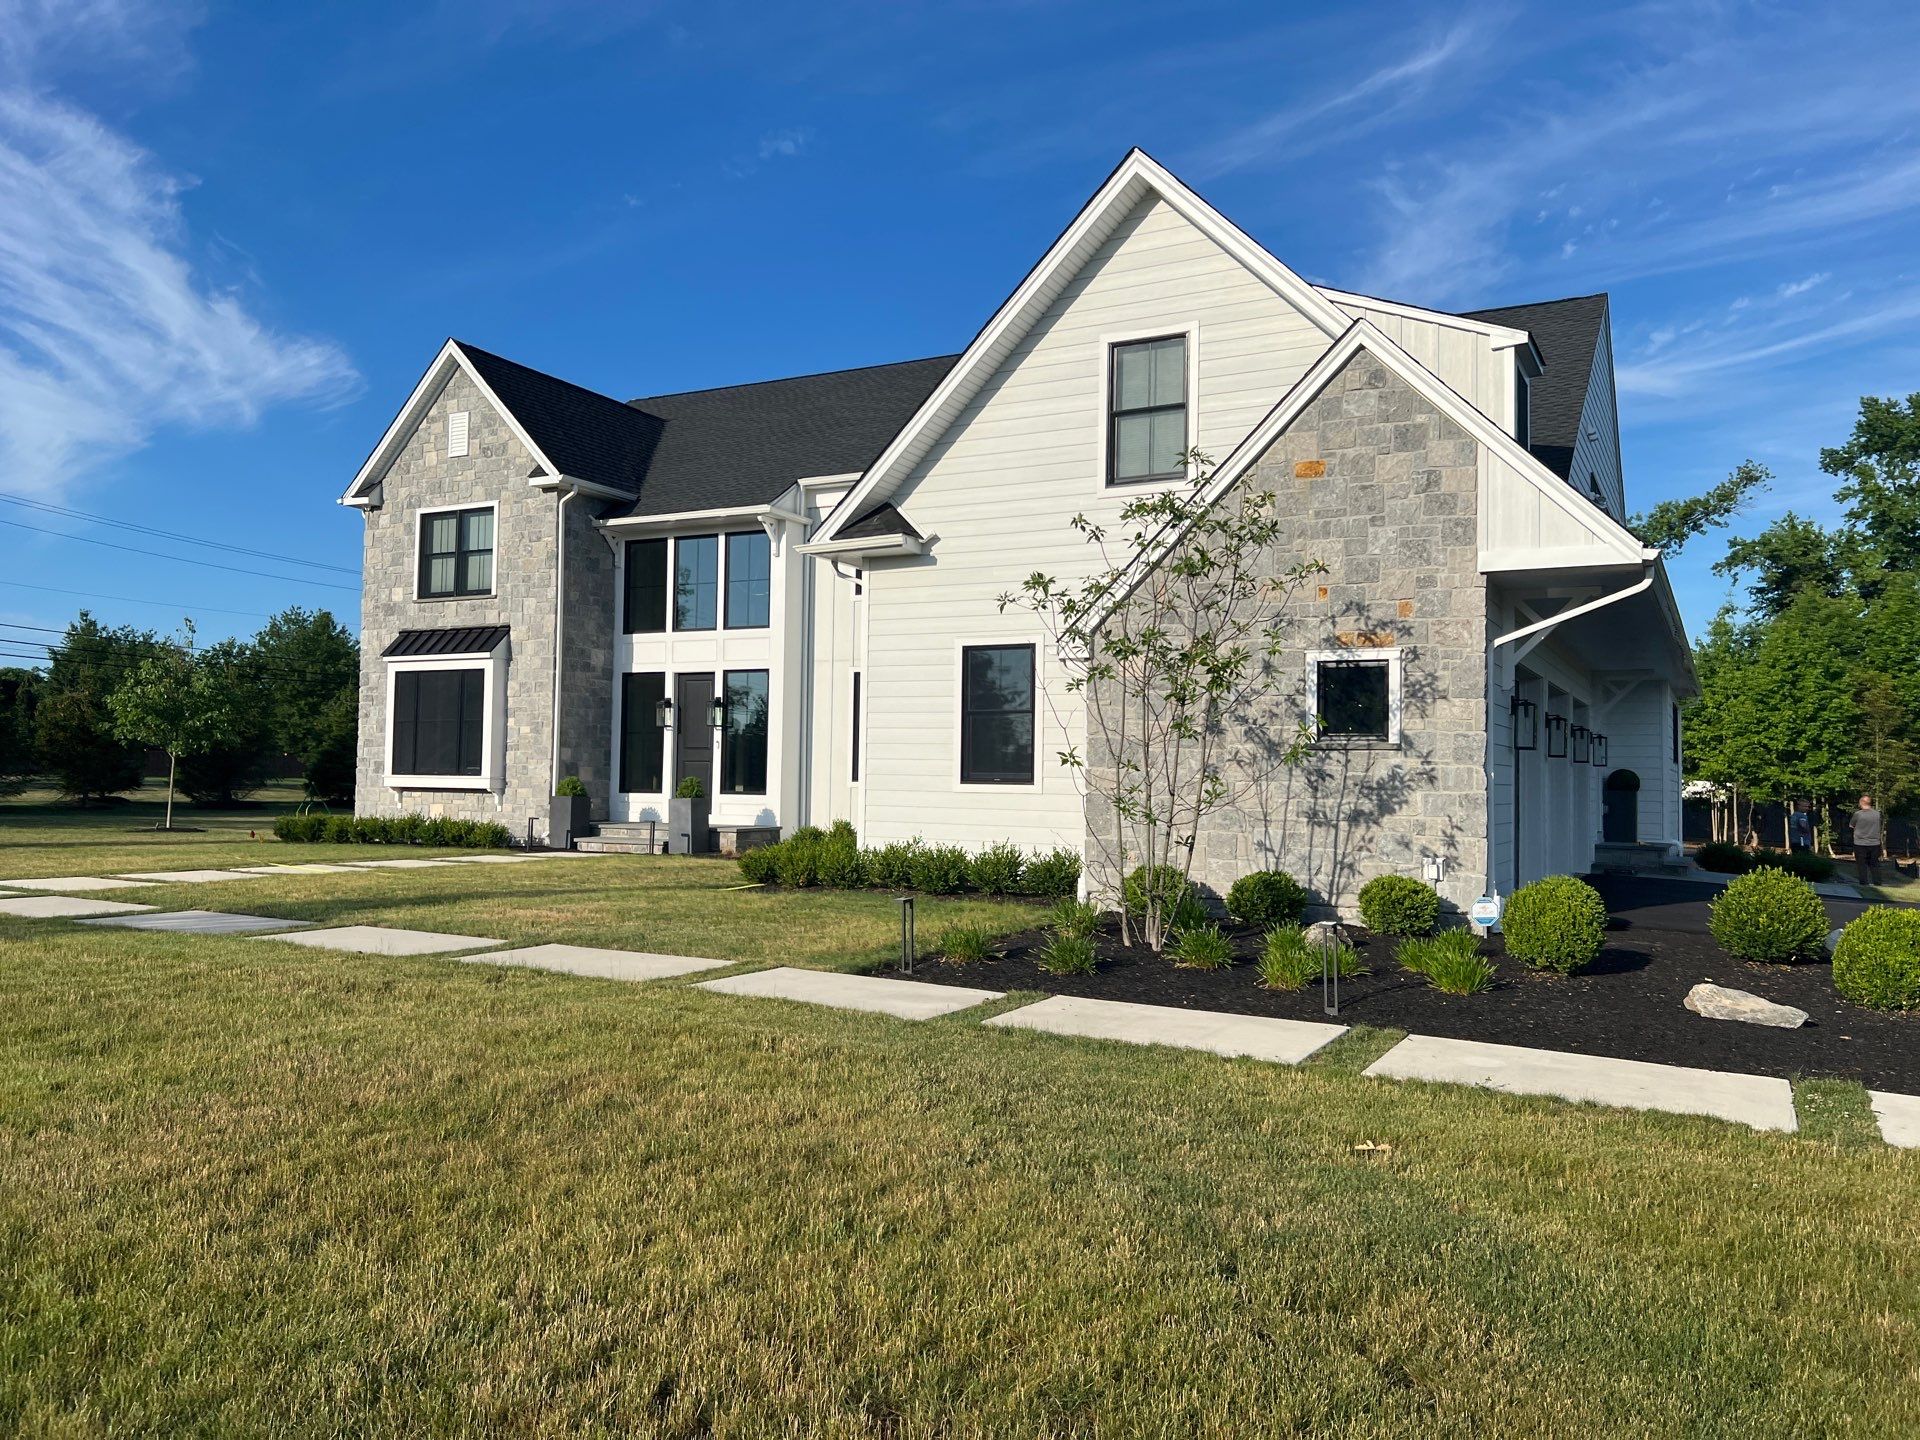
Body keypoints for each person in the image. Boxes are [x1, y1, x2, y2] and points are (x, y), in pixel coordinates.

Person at [1851, 795, 1884, 886]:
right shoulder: (1878, 814)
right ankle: (1877, 882)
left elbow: (1851, 825)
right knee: (1875, 864)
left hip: (1860, 843)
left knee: (1861, 864)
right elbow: (1880, 825)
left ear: (1861, 803)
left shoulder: (1858, 814)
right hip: (1874, 843)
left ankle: (1864, 882)